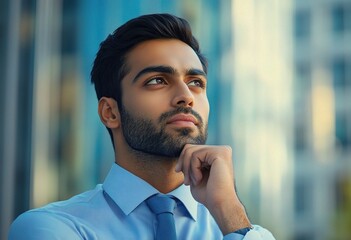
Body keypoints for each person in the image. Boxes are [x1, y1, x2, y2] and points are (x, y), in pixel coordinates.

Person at [8, 13, 275, 240]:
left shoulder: (239, 230)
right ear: (110, 112)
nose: (186, 95)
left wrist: (229, 212)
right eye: (157, 80)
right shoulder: (52, 228)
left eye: (196, 82)